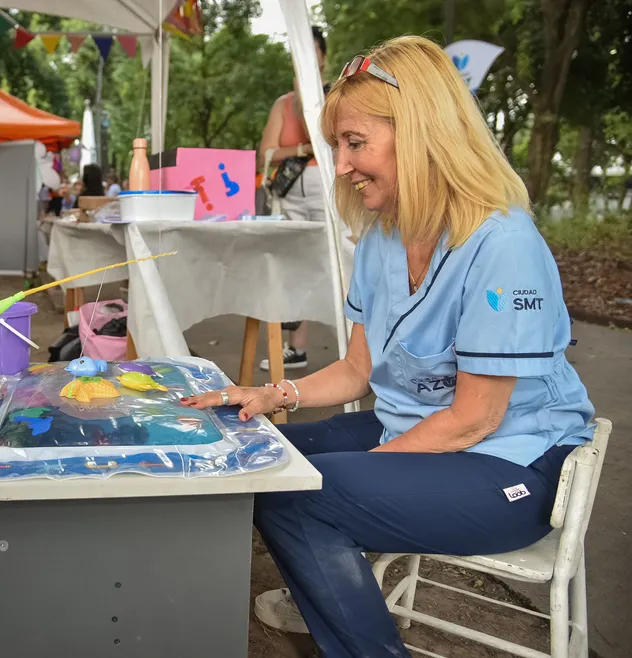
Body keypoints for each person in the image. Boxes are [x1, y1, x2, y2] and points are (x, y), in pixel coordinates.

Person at [181, 35, 595, 658]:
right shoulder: (382, 238)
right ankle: (329, 584)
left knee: (299, 493)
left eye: (355, 143)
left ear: (422, 134)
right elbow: (357, 370)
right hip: (423, 427)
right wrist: (272, 395)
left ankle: (357, 625)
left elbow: (475, 419)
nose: (341, 167)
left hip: (514, 462)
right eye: (337, 147)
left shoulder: (503, 243)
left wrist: (368, 477)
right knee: (252, 454)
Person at [257, 25, 328, 372]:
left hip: (327, 188)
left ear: (323, 57)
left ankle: (360, 347)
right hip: (289, 192)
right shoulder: (282, 104)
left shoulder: (338, 94)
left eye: (311, 50)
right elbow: (265, 154)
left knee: (336, 262)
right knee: (292, 265)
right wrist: (301, 148)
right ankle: (295, 348)